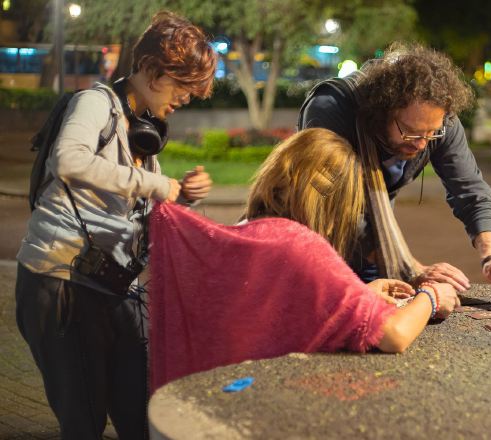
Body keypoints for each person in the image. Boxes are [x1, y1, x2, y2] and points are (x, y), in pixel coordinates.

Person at [15, 11, 216, 439]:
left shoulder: (142, 130)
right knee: (84, 419)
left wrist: (180, 192)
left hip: (112, 282)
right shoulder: (95, 103)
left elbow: (132, 197)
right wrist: (156, 184)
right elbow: (67, 159)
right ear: (149, 68)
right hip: (60, 281)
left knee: (140, 408)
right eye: (182, 84)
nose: (185, 98)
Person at [148, 128, 460, 391]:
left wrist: (361, 295)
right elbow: (392, 334)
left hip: (211, 395)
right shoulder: (299, 243)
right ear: (331, 200)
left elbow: (276, 314)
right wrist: (431, 296)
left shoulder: (247, 230)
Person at [298, 42, 491, 295]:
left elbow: (471, 191)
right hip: (313, 242)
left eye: (431, 133)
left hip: (376, 242)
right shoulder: (332, 108)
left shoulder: (439, 120)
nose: (421, 144)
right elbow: (331, 208)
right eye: (410, 132)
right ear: (383, 111)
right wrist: (412, 269)